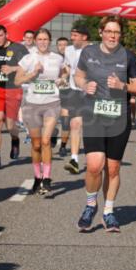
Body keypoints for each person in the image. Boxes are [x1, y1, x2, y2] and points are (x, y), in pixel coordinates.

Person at [75, 16, 136, 233]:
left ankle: (108, 211)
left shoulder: (129, 56)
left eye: (116, 32)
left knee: (113, 168)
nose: (113, 36)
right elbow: (78, 76)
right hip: (94, 115)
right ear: (101, 32)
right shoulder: (88, 53)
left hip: (119, 118)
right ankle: (90, 205)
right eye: (109, 31)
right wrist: (85, 85)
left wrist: (121, 85)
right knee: (95, 165)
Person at [14, 29, 66, 194]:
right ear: (36, 41)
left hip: (52, 103)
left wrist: (63, 79)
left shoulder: (57, 58)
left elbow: (65, 71)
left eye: (46, 39)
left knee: (45, 141)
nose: (43, 42)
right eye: (40, 39)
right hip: (32, 105)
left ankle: (47, 178)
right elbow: (17, 80)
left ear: (50, 41)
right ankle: (37, 177)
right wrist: (33, 73)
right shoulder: (28, 58)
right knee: (36, 145)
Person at [0, 24, 29, 168]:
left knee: (10, 125)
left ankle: (15, 139)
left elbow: (28, 66)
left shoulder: (18, 48)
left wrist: (13, 68)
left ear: (6, 34)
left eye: (0, 35)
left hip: (13, 89)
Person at [62, 23, 90, 174]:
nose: (71, 38)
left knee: (91, 127)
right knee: (75, 124)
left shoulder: (94, 50)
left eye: (75, 35)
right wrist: (63, 77)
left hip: (92, 93)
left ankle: (95, 156)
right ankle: (74, 160)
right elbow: (68, 68)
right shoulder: (68, 50)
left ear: (84, 37)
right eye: (71, 35)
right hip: (75, 91)